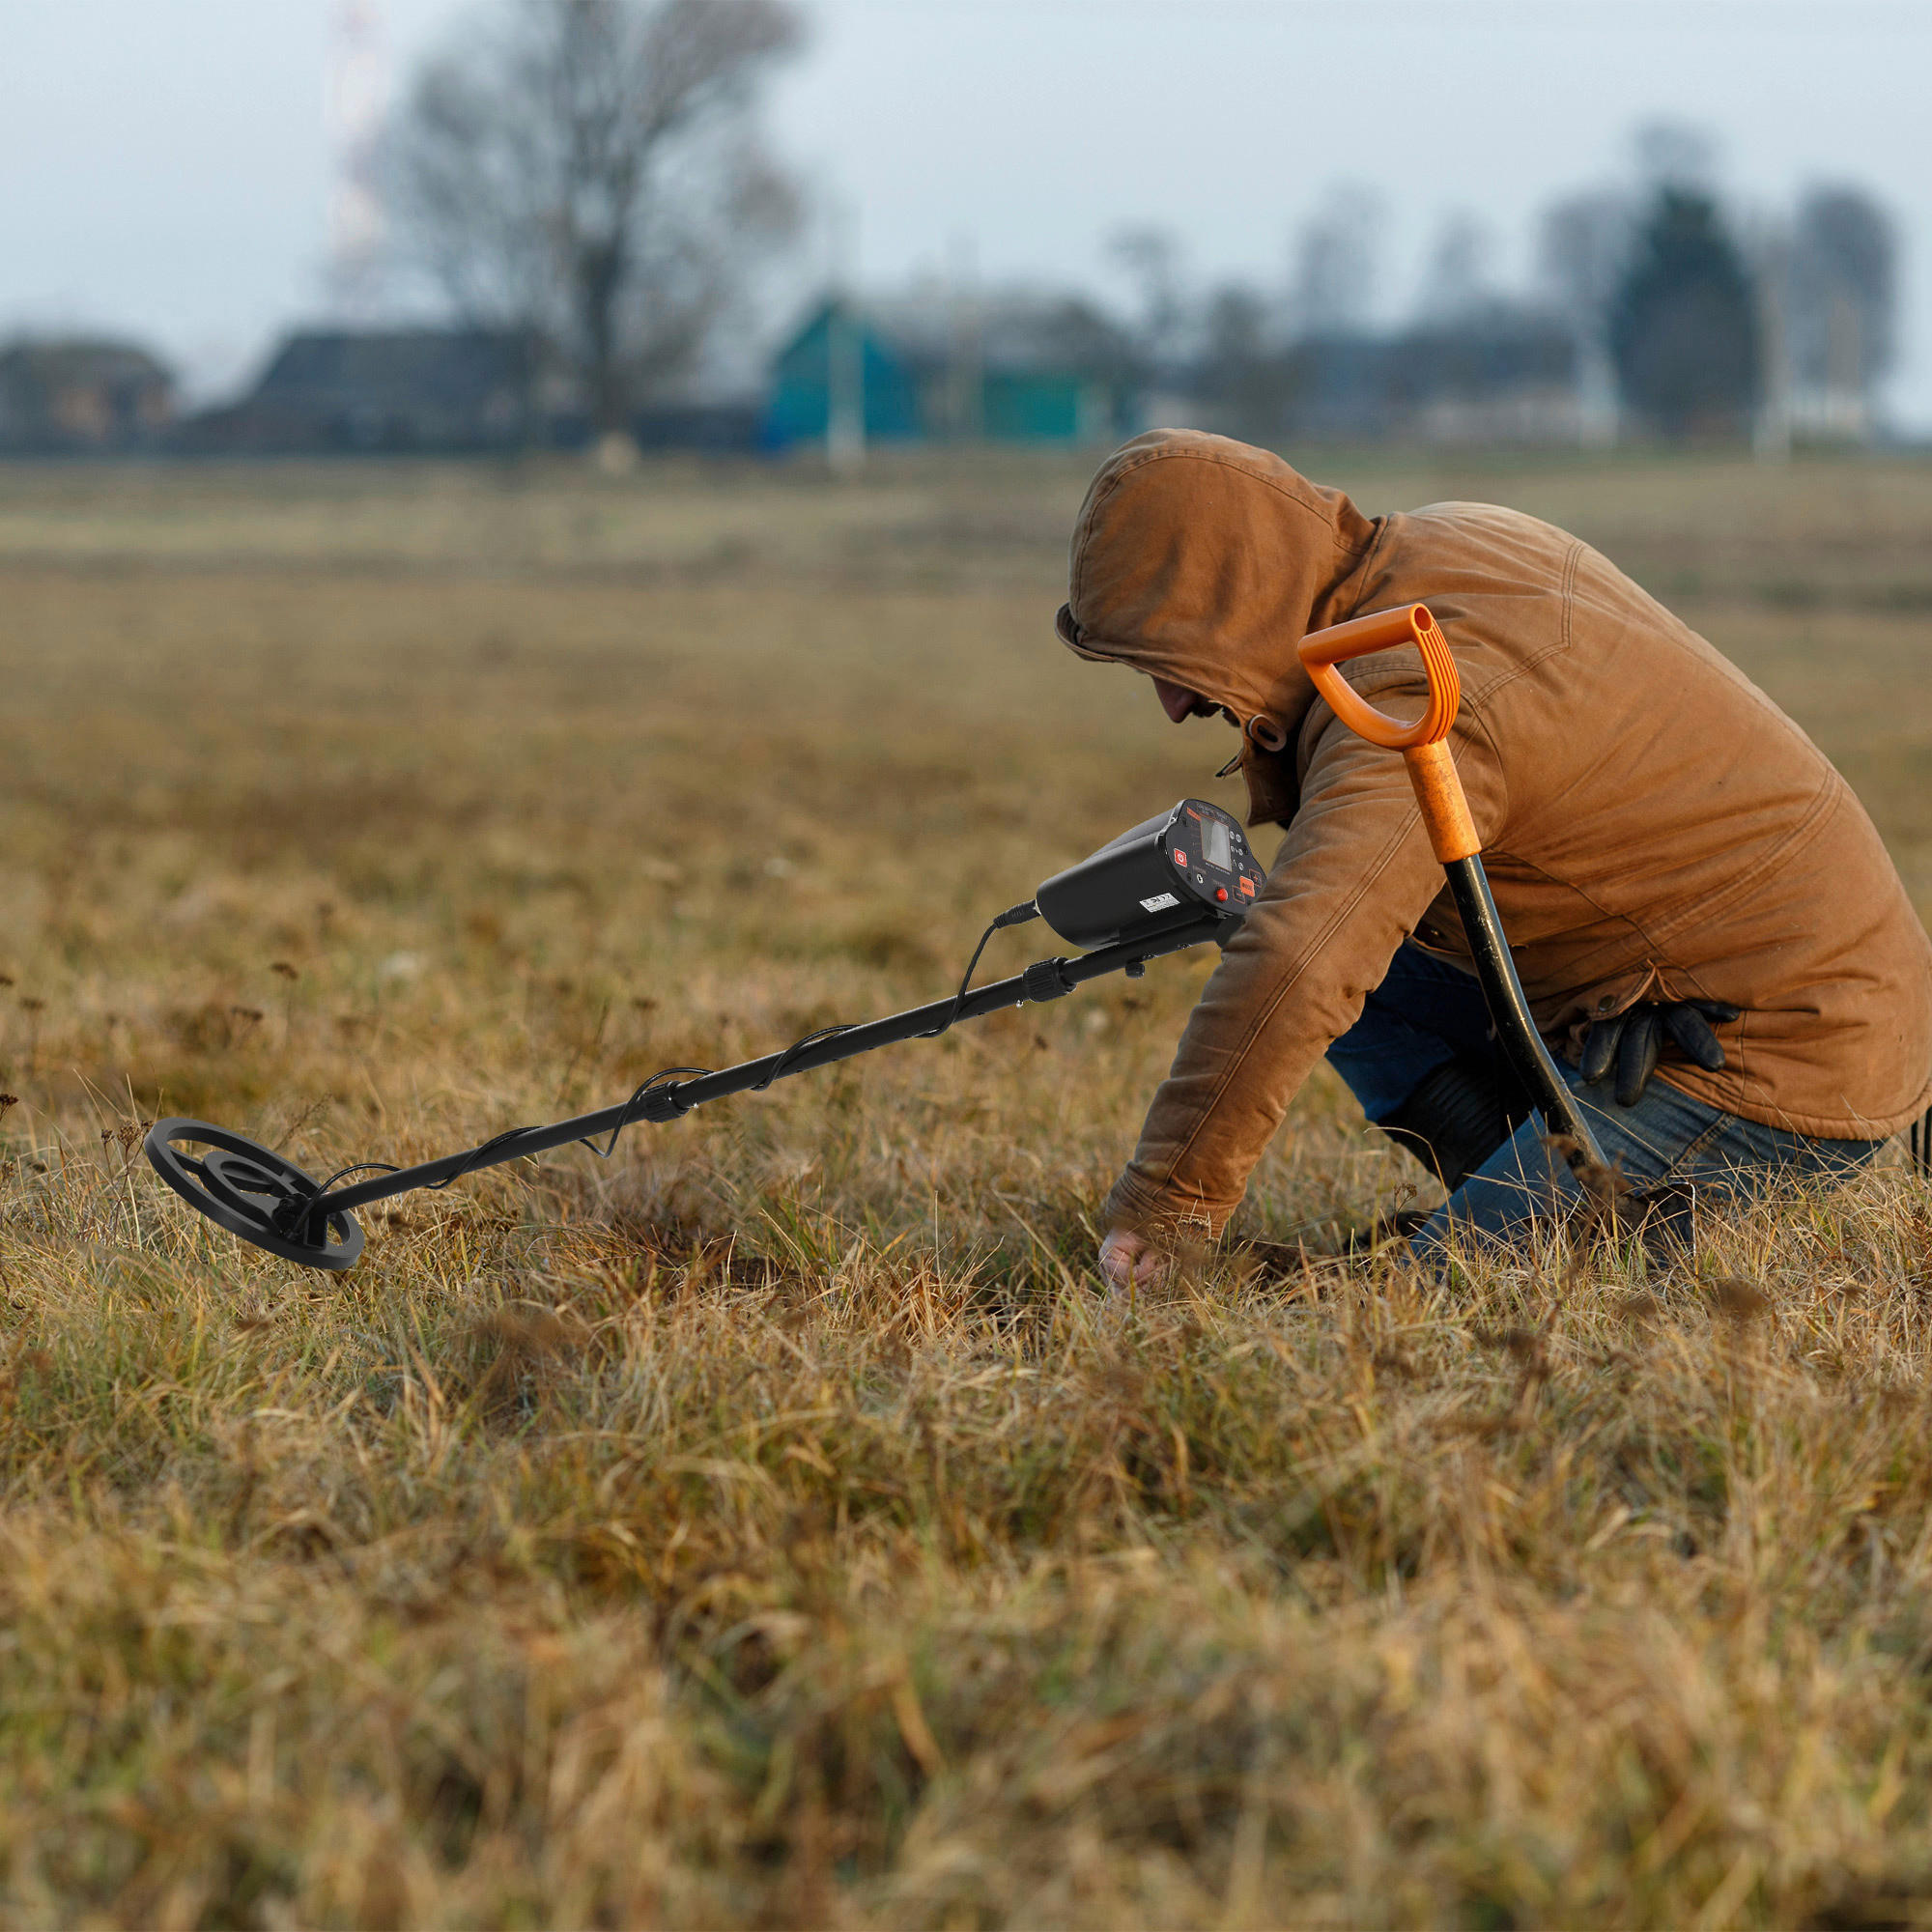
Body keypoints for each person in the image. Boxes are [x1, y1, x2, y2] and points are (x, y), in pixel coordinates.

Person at [1057, 431, 1932, 1288]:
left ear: (1234, 598)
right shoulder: (1446, 541)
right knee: (1313, 932)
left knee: (1425, 1307)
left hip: (1775, 1044)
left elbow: (1303, 958)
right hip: (1671, 991)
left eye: (1170, 657)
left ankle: (1571, 1238)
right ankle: (1517, 1191)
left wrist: (1168, 1206)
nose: (1173, 705)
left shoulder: (1407, 688)